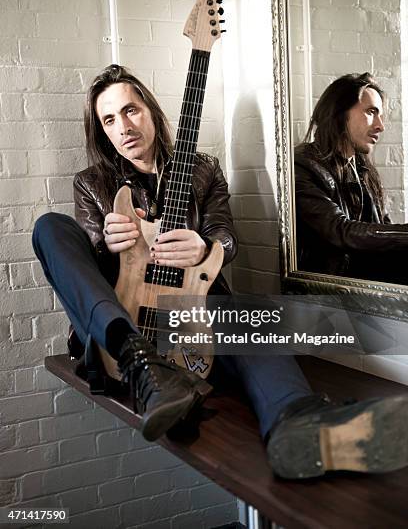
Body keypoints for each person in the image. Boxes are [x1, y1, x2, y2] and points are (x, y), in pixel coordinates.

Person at [33, 65, 408, 480]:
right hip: (121, 330)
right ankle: (141, 363)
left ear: (151, 111)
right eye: (109, 119)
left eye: (131, 110)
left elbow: (226, 237)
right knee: (49, 227)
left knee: (253, 319)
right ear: (102, 130)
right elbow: (89, 258)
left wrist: (206, 247)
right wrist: (106, 239)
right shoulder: (92, 183)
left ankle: (297, 421)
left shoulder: (203, 169)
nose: (123, 126)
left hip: (193, 311)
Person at [295, 72, 408, 283]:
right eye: (371, 112)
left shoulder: (361, 167)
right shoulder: (303, 165)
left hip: (368, 283)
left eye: (380, 115)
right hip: (330, 296)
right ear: (339, 113)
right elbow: (340, 230)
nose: (380, 126)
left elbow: (381, 228)